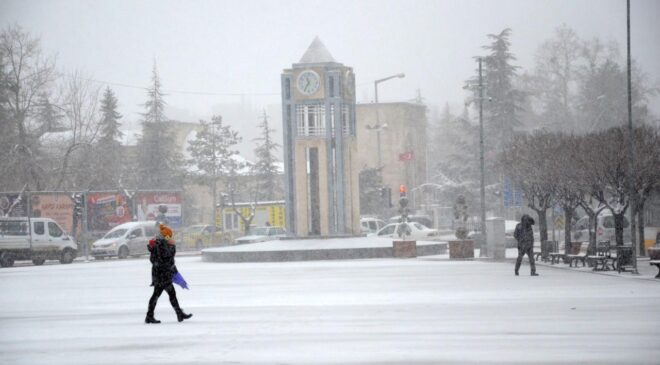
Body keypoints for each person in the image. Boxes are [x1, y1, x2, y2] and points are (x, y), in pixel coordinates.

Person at [145, 223, 192, 323]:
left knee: (165, 295)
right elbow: (168, 257)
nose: (171, 238)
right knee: (163, 295)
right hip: (163, 275)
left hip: (160, 274)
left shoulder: (158, 243)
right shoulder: (161, 244)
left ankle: (179, 314)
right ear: (166, 236)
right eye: (170, 236)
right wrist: (173, 246)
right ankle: (178, 314)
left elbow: (155, 259)